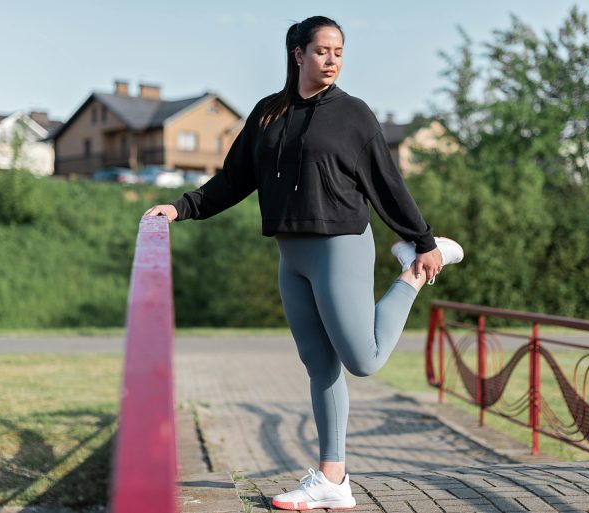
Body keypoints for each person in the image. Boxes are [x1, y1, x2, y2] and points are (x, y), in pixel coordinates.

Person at [143, 15, 463, 511]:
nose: (332, 60)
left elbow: (387, 183)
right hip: (290, 253)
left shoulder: (354, 114)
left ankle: (411, 275)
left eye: (339, 52)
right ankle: (333, 479)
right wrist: (181, 207)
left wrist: (422, 242)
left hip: (340, 245)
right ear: (298, 54)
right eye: (321, 51)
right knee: (320, 364)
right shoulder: (268, 114)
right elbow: (234, 179)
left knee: (363, 361)